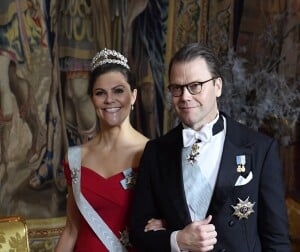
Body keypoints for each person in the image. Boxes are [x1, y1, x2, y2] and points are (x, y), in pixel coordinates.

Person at [129, 42, 291, 251]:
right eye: (177, 88)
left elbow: (276, 240)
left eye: (195, 86)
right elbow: (138, 232)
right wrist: (176, 239)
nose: (185, 96)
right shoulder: (156, 151)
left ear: (217, 86)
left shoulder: (259, 148)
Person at [55, 48, 162, 252]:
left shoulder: (153, 153)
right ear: (92, 99)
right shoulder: (76, 158)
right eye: (100, 93)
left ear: (134, 95)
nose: (109, 100)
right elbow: (71, 230)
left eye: (118, 90)